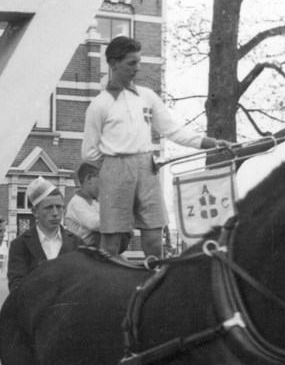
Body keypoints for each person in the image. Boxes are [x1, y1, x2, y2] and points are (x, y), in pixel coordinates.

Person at [82, 36, 232, 259]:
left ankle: (155, 286)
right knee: (111, 244)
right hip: (115, 171)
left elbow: (172, 130)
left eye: (138, 62)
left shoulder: (147, 97)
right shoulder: (99, 104)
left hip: (147, 169)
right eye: (131, 63)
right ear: (114, 64)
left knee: (154, 241)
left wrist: (208, 143)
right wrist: (113, 169)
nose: (137, 68)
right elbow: (89, 152)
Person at [7, 177, 82, 292]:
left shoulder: (76, 243)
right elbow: (16, 287)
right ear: (35, 212)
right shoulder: (20, 245)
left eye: (59, 207)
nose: (55, 213)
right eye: (49, 208)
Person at [64, 162, 101, 247]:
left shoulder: (97, 202)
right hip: (81, 254)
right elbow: (93, 223)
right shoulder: (76, 203)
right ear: (89, 179)